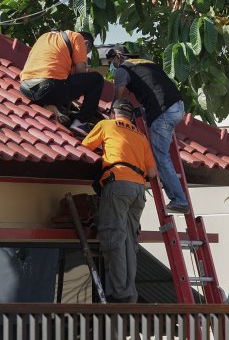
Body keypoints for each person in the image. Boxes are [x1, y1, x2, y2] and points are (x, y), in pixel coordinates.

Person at [81, 98, 157, 303]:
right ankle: (129, 292)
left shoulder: (106, 125)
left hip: (118, 184)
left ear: (112, 114)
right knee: (129, 242)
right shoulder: (141, 136)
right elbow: (152, 171)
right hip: (139, 190)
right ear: (130, 117)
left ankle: (120, 293)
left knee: (113, 238)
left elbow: (84, 147)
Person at [106, 45, 189, 214]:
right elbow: (155, 89)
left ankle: (179, 201)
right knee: (161, 150)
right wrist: (142, 111)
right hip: (177, 106)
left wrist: (112, 115)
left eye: (110, 61)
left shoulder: (122, 70)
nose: (111, 65)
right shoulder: (146, 63)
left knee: (160, 157)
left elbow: (118, 99)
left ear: (117, 57)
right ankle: (179, 198)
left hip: (164, 112)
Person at [20, 30, 104, 136]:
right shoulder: (77, 38)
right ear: (85, 43)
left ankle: (50, 104)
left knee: (62, 83)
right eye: (85, 52)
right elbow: (80, 73)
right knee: (96, 79)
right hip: (48, 88)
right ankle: (81, 122)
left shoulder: (46, 36)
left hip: (26, 87)